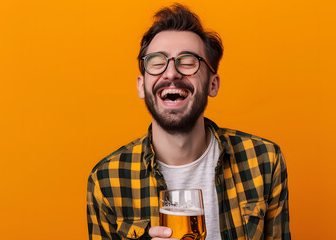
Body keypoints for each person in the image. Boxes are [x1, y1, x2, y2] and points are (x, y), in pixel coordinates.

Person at [87, 3, 290, 240]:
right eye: (156, 61)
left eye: (187, 61)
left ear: (212, 84)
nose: (171, 73)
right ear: (142, 86)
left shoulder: (264, 161)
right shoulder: (106, 180)